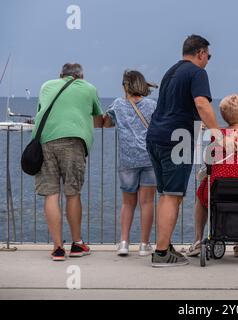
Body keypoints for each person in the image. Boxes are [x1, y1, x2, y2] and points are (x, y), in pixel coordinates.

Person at [146, 34, 228, 267]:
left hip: (155, 137)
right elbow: (201, 103)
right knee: (173, 196)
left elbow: (176, 106)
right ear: (201, 53)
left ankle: (164, 245)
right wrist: (217, 133)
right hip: (177, 141)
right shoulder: (197, 72)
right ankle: (162, 253)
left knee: (166, 194)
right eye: (208, 56)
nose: (208, 61)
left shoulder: (171, 72)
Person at [32, 63, 103, 261]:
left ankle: (57, 249)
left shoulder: (46, 86)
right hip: (74, 141)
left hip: (45, 141)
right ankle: (77, 244)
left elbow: (41, 110)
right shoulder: (88, 88)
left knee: (51, 194)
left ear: (60, 75)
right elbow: (98, 121)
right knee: (72, 193)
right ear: (81, 76)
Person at [187, 94, 238, 258]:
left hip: (219, 190)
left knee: (201, 196)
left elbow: (209, 162)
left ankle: (197, 240)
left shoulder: (218, 136)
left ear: (223, 115)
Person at [103, 70, 158, 257]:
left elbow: (105, 122)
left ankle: (124, 242)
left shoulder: (118, 105)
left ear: (125, 86)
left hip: (128, 160)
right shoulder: (151, 105)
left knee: (128, 204)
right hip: (149, 159)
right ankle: (144, 244)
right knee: (147, 202)